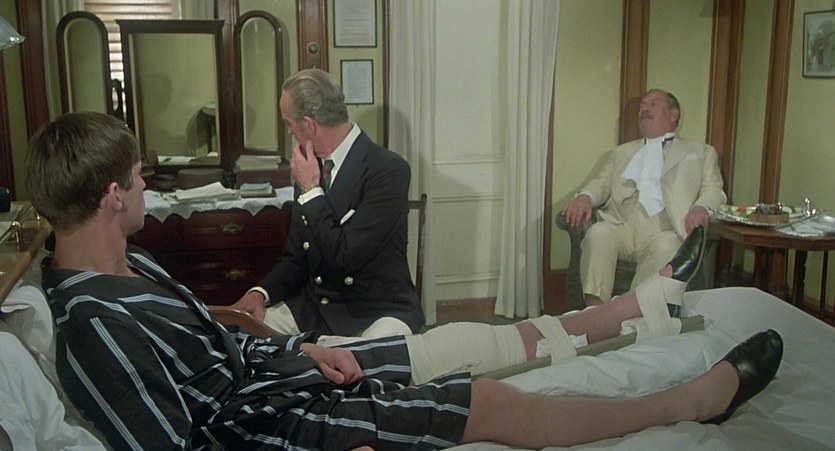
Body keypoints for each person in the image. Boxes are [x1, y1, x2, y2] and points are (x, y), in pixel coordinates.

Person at [26, 111, 783, 450]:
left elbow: (320, 267)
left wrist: (283, 338)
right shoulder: (96, 323)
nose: (146, 187)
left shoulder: (132, 263)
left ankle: (629, 310)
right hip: (266, 415)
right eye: (138, 177)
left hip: (300, 356)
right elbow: (184, 438)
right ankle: (687, 399)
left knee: (463, 343)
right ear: (112, 196)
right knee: (483, 394)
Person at [231, 68, 422, 338]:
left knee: (361, 362)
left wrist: (311, 190)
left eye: (289, 123)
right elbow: (296, 258)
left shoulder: (387, 170)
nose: (290, 131)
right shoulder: (311, 167)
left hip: (375, 312)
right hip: (316, 309)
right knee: (241, 337)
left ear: (309, 125)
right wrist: (260, 293)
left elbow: (344, 256)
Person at [561, 89, 727, 307]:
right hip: (622, 223)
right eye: (642, 105)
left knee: (667, 247)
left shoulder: (701, 152)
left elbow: (714, 190)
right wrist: (585, 196)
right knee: (598, 233)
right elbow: (601, 183)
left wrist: (701, 207)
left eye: (653, 104)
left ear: (674, 114)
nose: (645, 109)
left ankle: (632, 311)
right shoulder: (622, 152)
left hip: (665, 227)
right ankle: (595, 310)